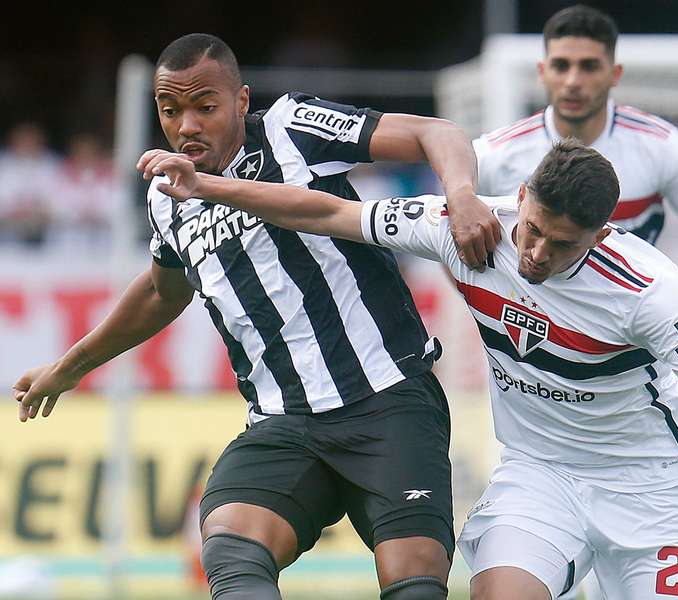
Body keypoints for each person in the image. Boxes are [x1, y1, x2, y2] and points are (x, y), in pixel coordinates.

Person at [136, 138, 678, 600]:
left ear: (601, 235)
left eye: (560, 246)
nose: (533, 255)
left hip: (655, 488)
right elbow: (325, 211)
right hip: (541, 475)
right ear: (521, 196)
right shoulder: (469, 228)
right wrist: (208, 187)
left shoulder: (649, 289)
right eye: (530, 230)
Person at [13, 33, 500, 600]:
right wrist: (70, 368)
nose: (187, 125)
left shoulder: (290, 128)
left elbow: (434, 132)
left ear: (242, 102)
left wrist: (462, 194)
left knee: (414, 582)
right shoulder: (166, 195)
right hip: (284, 422)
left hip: (387, 402)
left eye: (205, 107)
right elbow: (161, 292)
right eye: (170, 111)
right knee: (230, 542)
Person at [474, 5, 678, 337]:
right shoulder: (496, 152)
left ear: (614, 74)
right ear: (542, 71)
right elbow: (451, 228)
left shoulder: (660, 145)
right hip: (533, 333)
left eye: (589, 67)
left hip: (633, 332)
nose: (573, 81)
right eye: (561, 66)